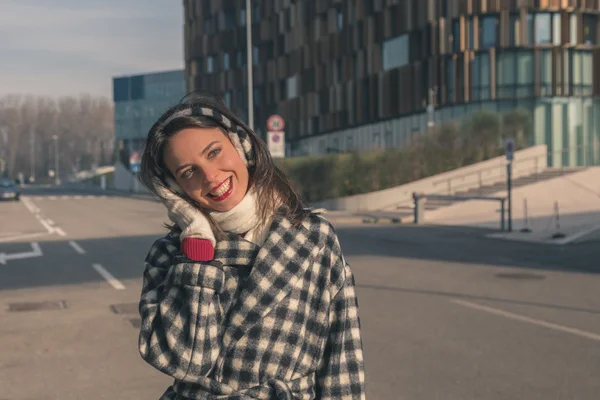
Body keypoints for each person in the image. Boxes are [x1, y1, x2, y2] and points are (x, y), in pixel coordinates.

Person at [137, 93, 366, 399]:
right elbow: (188, 363)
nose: (211, 176)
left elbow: (341, 362)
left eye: (214, 152)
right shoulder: (170, 257)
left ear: (241, 145)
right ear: (176, 189)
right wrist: (197, 252)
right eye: (188, 172)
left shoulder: (313, 238)